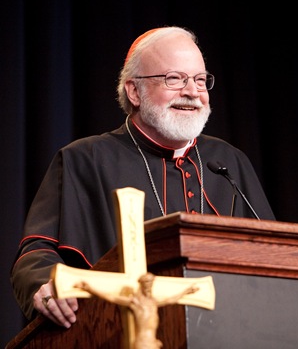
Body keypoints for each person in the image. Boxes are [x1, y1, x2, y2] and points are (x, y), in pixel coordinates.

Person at [10, 26, 275, 330]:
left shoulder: (230, 162)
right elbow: (36, 253)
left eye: (200, 80)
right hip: (113, 332)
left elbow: (271, 259)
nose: (192, 92)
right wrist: (45, 284)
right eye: (174, 78)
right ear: (134, 91)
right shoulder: (85, 160)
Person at [74, 272, 199, 349]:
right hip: (143, 343)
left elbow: (171, 299)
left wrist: (186, 291)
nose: (149, 288)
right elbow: (111, 297)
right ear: (142, 286)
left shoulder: (153, 302)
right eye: (147, 285)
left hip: (154, 342)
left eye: (151, 285)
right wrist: (90, 288)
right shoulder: (135, 302)